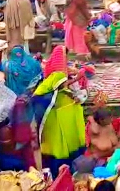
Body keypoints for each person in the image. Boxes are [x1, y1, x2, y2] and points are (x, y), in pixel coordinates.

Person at [31, 46, 86, 176]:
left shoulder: (55, 73)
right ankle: (60, 173)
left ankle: (62, 171)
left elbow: (61, 90)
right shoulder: (58, 75)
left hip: (60, 112)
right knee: (59, 145)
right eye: (65, 56)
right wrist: (77, 78)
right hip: (55, 116)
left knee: (62, 143)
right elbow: (61, 86)